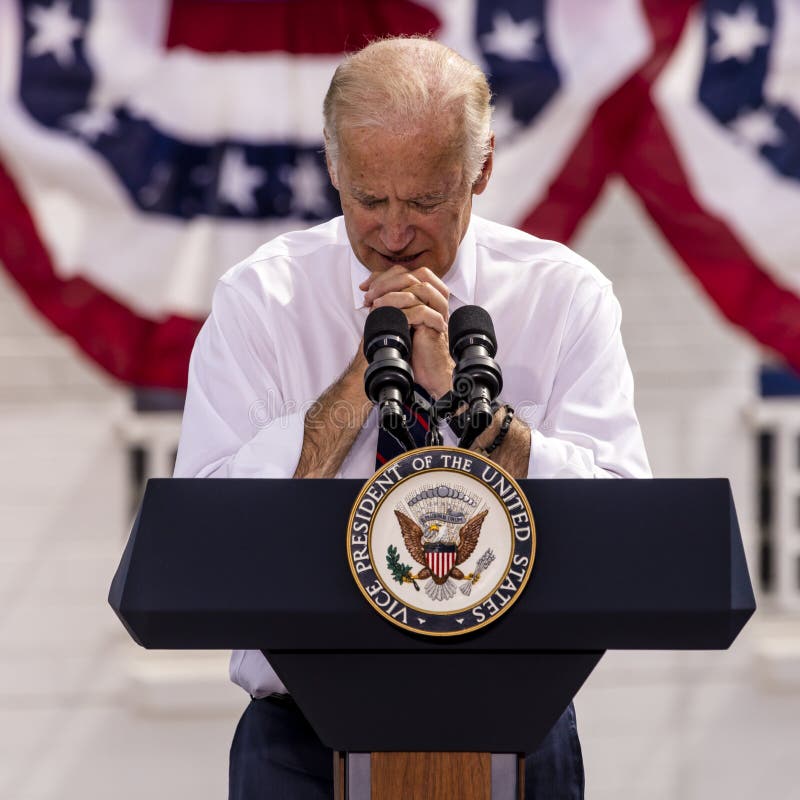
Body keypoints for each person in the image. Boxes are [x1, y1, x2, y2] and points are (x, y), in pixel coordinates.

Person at [174, 36, 650, 800]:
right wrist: (358, 384)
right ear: (332, 168)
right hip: (298, 739)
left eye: (426, 201)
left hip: (520, 728)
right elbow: (206, 538)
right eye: (369, 198)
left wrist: (472, 405)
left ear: (483, 168)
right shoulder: (261, 302)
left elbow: (628, 529)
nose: (394, 233)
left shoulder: (563, 298)